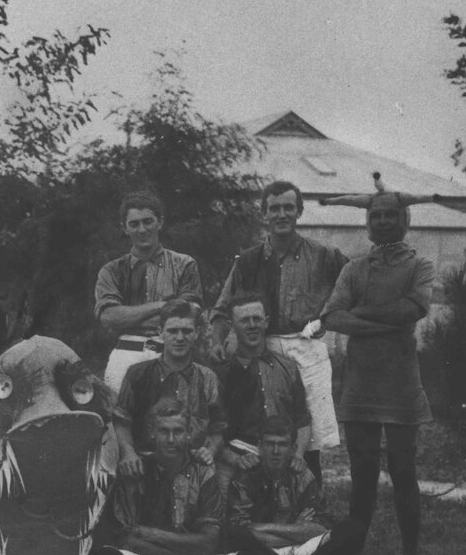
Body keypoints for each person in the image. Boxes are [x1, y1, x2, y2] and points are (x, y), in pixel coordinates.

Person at [321, 176, 435, 555]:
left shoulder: (420, 266)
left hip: (402, 383)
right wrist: (385, 323)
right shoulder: (354, 269)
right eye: (376, 216)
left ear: (405, 220)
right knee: (362, 471)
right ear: (367, 223)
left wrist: (363, 314)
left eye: (390, 215)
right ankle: (353, 552)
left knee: (404, 470)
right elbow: (332, 316)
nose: (383, 221)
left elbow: (414, 308)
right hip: (361, 384)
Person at [211, 181, 348, 484]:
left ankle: (310, 499)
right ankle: (263, 496)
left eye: (288, 207)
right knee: (263, 428)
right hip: (263, 346)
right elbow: (222, 307)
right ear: (265, 213)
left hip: (307, 347)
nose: (282, 214)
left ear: (299, 211)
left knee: (309, 439)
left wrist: (329, 318)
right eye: (274, 208)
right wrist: (217, 340)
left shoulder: (323, 254)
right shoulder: (249, 260)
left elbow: (353, 288)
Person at [88, 399, 251, 555]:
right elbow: (127, 540)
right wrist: (188, 546)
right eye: (164, 431)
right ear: (152, 433)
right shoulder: (136, 471)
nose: (171, 440)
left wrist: (151, 534)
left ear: (189, 434)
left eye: (178, 431)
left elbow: (210, 542)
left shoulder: (204, 473)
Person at [227, 416, 367, 555]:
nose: (276, 451)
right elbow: (239, 529)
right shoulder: (246, 476)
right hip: (263, 553)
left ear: (293, 449)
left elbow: (321, 528)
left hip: (299, 550)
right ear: (259, 446)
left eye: (282, 445)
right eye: (270, 444)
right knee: (239, 538)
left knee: (353, 529)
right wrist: (297, 530)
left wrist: (265, 528)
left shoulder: (302, 475)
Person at [94, 190, 203, 392]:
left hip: (171, 353)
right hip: (125, 356)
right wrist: (162, 306)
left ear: (160, 222)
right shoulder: (112, 270)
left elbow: (188, 313)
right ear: (124, 228)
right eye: (134, 224)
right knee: (118, 410)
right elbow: (109, 317)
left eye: (148, 222)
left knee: (174, 410)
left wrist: (128, 317)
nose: (142, 229)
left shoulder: (184, 264)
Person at [214, 294, 311, 499]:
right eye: (244, 320)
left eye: (257, 319)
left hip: (279, 456)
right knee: (226, 513)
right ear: (232, 325)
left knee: (304, 509)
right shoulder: (221, 373)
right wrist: (234, 459)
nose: (252, 325)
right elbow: (213, 430)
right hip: (237, 457)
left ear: (266, 322)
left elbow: (303, 421)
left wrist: (298, 455)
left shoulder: (288, 367)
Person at [115, 299, 225, 477]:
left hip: (193, 467)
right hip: (146, 465)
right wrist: (128, 453)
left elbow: (218, 429)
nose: (180, 338)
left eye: (186, 331)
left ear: (197, 333)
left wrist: (210, 451)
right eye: (173, 331)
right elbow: (122, 422)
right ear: (161, 332)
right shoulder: (138, 374)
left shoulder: (208, 378)